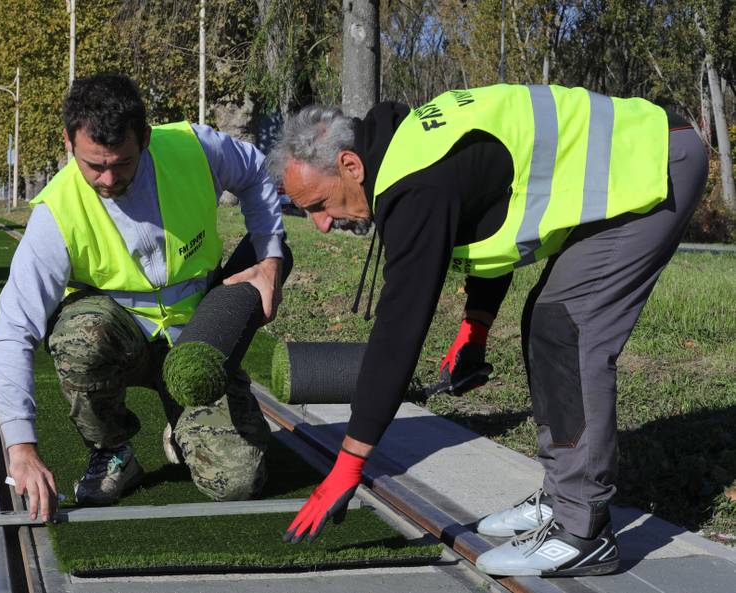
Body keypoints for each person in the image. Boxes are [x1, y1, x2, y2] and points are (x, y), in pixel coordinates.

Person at [269, 84, 707, 577]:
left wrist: (350, 459)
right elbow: (492, 215)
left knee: (565, 329)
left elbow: (399, 330)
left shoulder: (413, 187)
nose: (321, 224)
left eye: (319, 204)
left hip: (654, 163)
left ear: (350, 165)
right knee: (547, 321)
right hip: (646, 152)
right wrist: (475, 328)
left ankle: (583, 531)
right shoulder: (404, 145)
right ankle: (564, 492)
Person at [0, 73, 288, 522]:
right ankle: (113, 451)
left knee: (238, 480)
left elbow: (256, 170)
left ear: (145, 139)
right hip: (117, 340)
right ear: (68, 143)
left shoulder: (195, 149)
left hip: (197, 338)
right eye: (94, 165)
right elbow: (12, 331)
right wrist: (21, 447)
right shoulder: (56, 214)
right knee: (79, 335)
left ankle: (182, 427)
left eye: (122, 163)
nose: (108, 179)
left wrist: (269, 256)